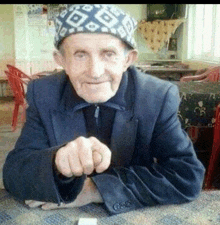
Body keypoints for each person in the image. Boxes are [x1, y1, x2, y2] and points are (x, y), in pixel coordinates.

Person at [3, 4, 205, 214]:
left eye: (108, 54)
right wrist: (56, 163)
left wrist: (94, 189)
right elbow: (14, 173)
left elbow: (187, 176)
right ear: (61, 60)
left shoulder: (156, 97)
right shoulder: (44, 93)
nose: (95, 72)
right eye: (80, 55)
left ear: (128, 59)